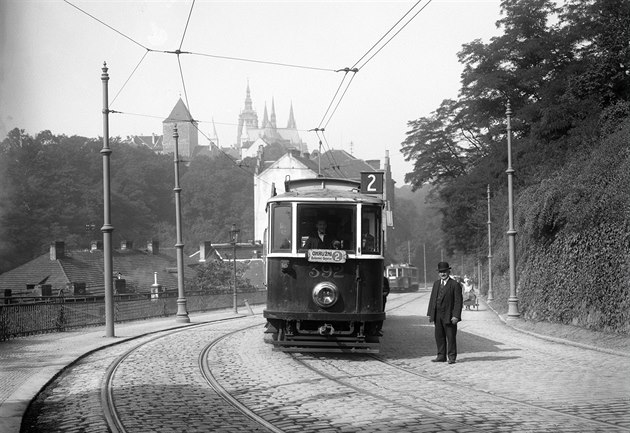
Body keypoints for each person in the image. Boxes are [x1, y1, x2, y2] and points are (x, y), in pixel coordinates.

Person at [426, 262, 463, 364]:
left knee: (450, 336)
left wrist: (456, 316)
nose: (443, 274)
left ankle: (451, 357)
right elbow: (432, 299)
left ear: (448, 272)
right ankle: (441, 356)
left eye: (444, 272)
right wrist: (430, 314)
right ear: (438, 273)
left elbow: (458, 302)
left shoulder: (455, 285)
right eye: (441, 272)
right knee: (439, 336)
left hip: (449, 315)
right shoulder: (436, 284)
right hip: (437, 315)